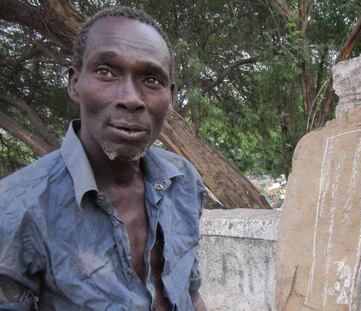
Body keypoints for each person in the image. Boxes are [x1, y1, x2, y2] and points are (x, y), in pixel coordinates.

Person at [0, 6, 207, 311]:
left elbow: (188, 293)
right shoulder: (16, 210)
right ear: (74, 83)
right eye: (106, 72)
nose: (132, 98)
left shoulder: (184, 182)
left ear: (171, 96)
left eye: (151, 79)